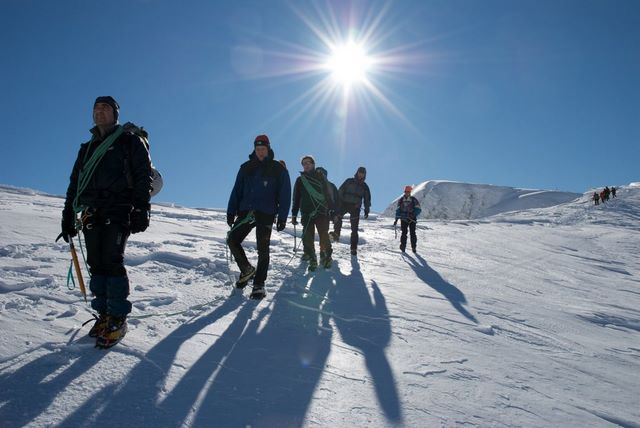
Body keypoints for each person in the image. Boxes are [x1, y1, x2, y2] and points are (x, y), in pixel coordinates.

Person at [60, 96, 152, 348]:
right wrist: (67, 215)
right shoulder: (86, 148)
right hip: (92, 210)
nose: (99, 112)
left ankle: (118, 318)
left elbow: (143, 175)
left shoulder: (128, 141)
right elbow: (74, 183)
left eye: (105, 108)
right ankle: (104, 315)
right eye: (96, 108)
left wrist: (142, 208)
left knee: (112, 260)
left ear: (115, 114)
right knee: (96, 262)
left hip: (119, 207)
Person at [227, 135, 291, 299]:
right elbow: (236, 190)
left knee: (263, 249)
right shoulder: (245, 167)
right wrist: (231, 211)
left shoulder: (278, 169)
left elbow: (285, 194)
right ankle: (246, 270)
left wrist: (282, 216)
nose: (260, 152)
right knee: (232, 239)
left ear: (268, 149)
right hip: (246, 212)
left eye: (263, 149)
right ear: (254, 149)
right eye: (258, 149)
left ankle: (258, 285)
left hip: (266, 213)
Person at [291, 156, 335, 271]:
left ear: (313, 164)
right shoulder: (300, 180)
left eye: (308, 163)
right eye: (304, 163)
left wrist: (332, 209)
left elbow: (327, 194)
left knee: (323, 234)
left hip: (321, 211)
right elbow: (296, 198)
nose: (306, 165)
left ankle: (327, 257)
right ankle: (312, 258)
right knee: (308, 236)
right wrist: (294, 214)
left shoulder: (320, 177)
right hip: (306, 212)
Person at [331, 166, 371, 256]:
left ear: (364, 175)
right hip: (344, 204)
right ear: (357, 172)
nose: (361, 174)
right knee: (337, 216)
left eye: (362, 173)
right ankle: (336, 234)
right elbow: (340, 191)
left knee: (354, 229)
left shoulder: (365, 186)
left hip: (355, 207)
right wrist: (338, 203)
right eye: (359, 172)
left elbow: (367, 199)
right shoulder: (349, 181)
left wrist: (367, 210)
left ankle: (353, 248)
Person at [394, 186, 422, 253]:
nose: (407, 193)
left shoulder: (414, 200)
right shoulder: (401, 200)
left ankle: (414, 247)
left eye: (408, 192)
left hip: (412, 219)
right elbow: (398, 210)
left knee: (412, 233)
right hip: (403, 219)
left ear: (410, 192)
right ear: (404, 192)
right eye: (406, 191)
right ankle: (403, 247)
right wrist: (396, 219)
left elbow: (418, 209)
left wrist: (413, 214)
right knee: (404, 233)